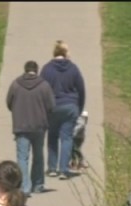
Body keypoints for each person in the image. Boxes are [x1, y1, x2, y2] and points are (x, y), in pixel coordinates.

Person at [6, 60, 56, 195]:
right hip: (39, 126)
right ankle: (38, 184)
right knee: (38, 155)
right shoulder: (44, 86)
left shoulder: (16, 84)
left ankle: (24, 187)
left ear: (25, 69)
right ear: (37, 70)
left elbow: (9, 103)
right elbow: (51, 106)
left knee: (22, 157)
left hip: (21, 126)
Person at [40, 40, 86, 180]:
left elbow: (41, 90)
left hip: (53, 107)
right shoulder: (73, 68)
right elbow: (81, 89)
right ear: (64, 53)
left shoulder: (47, 69)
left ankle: (52, 168)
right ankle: (64, 169)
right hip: (70, 106)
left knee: (52, 136)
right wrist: (79, 107)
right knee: (66, 138)